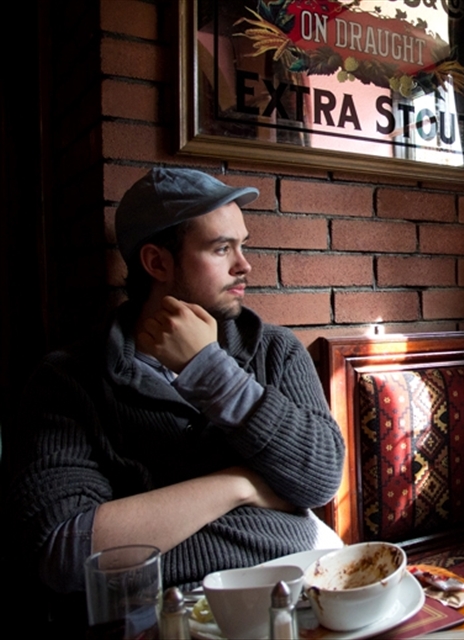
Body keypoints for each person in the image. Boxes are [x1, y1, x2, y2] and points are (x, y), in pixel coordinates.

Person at [3, 168, 344, 627]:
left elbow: (320, 480)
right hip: (167, 616)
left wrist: (211, 371)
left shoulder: (273, 350)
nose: (244, 265)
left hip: (301, 593)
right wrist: (239, 485)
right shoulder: (69, 379)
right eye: (222, 248)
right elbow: (63, 550)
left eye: (242, 245)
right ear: (157, 263)